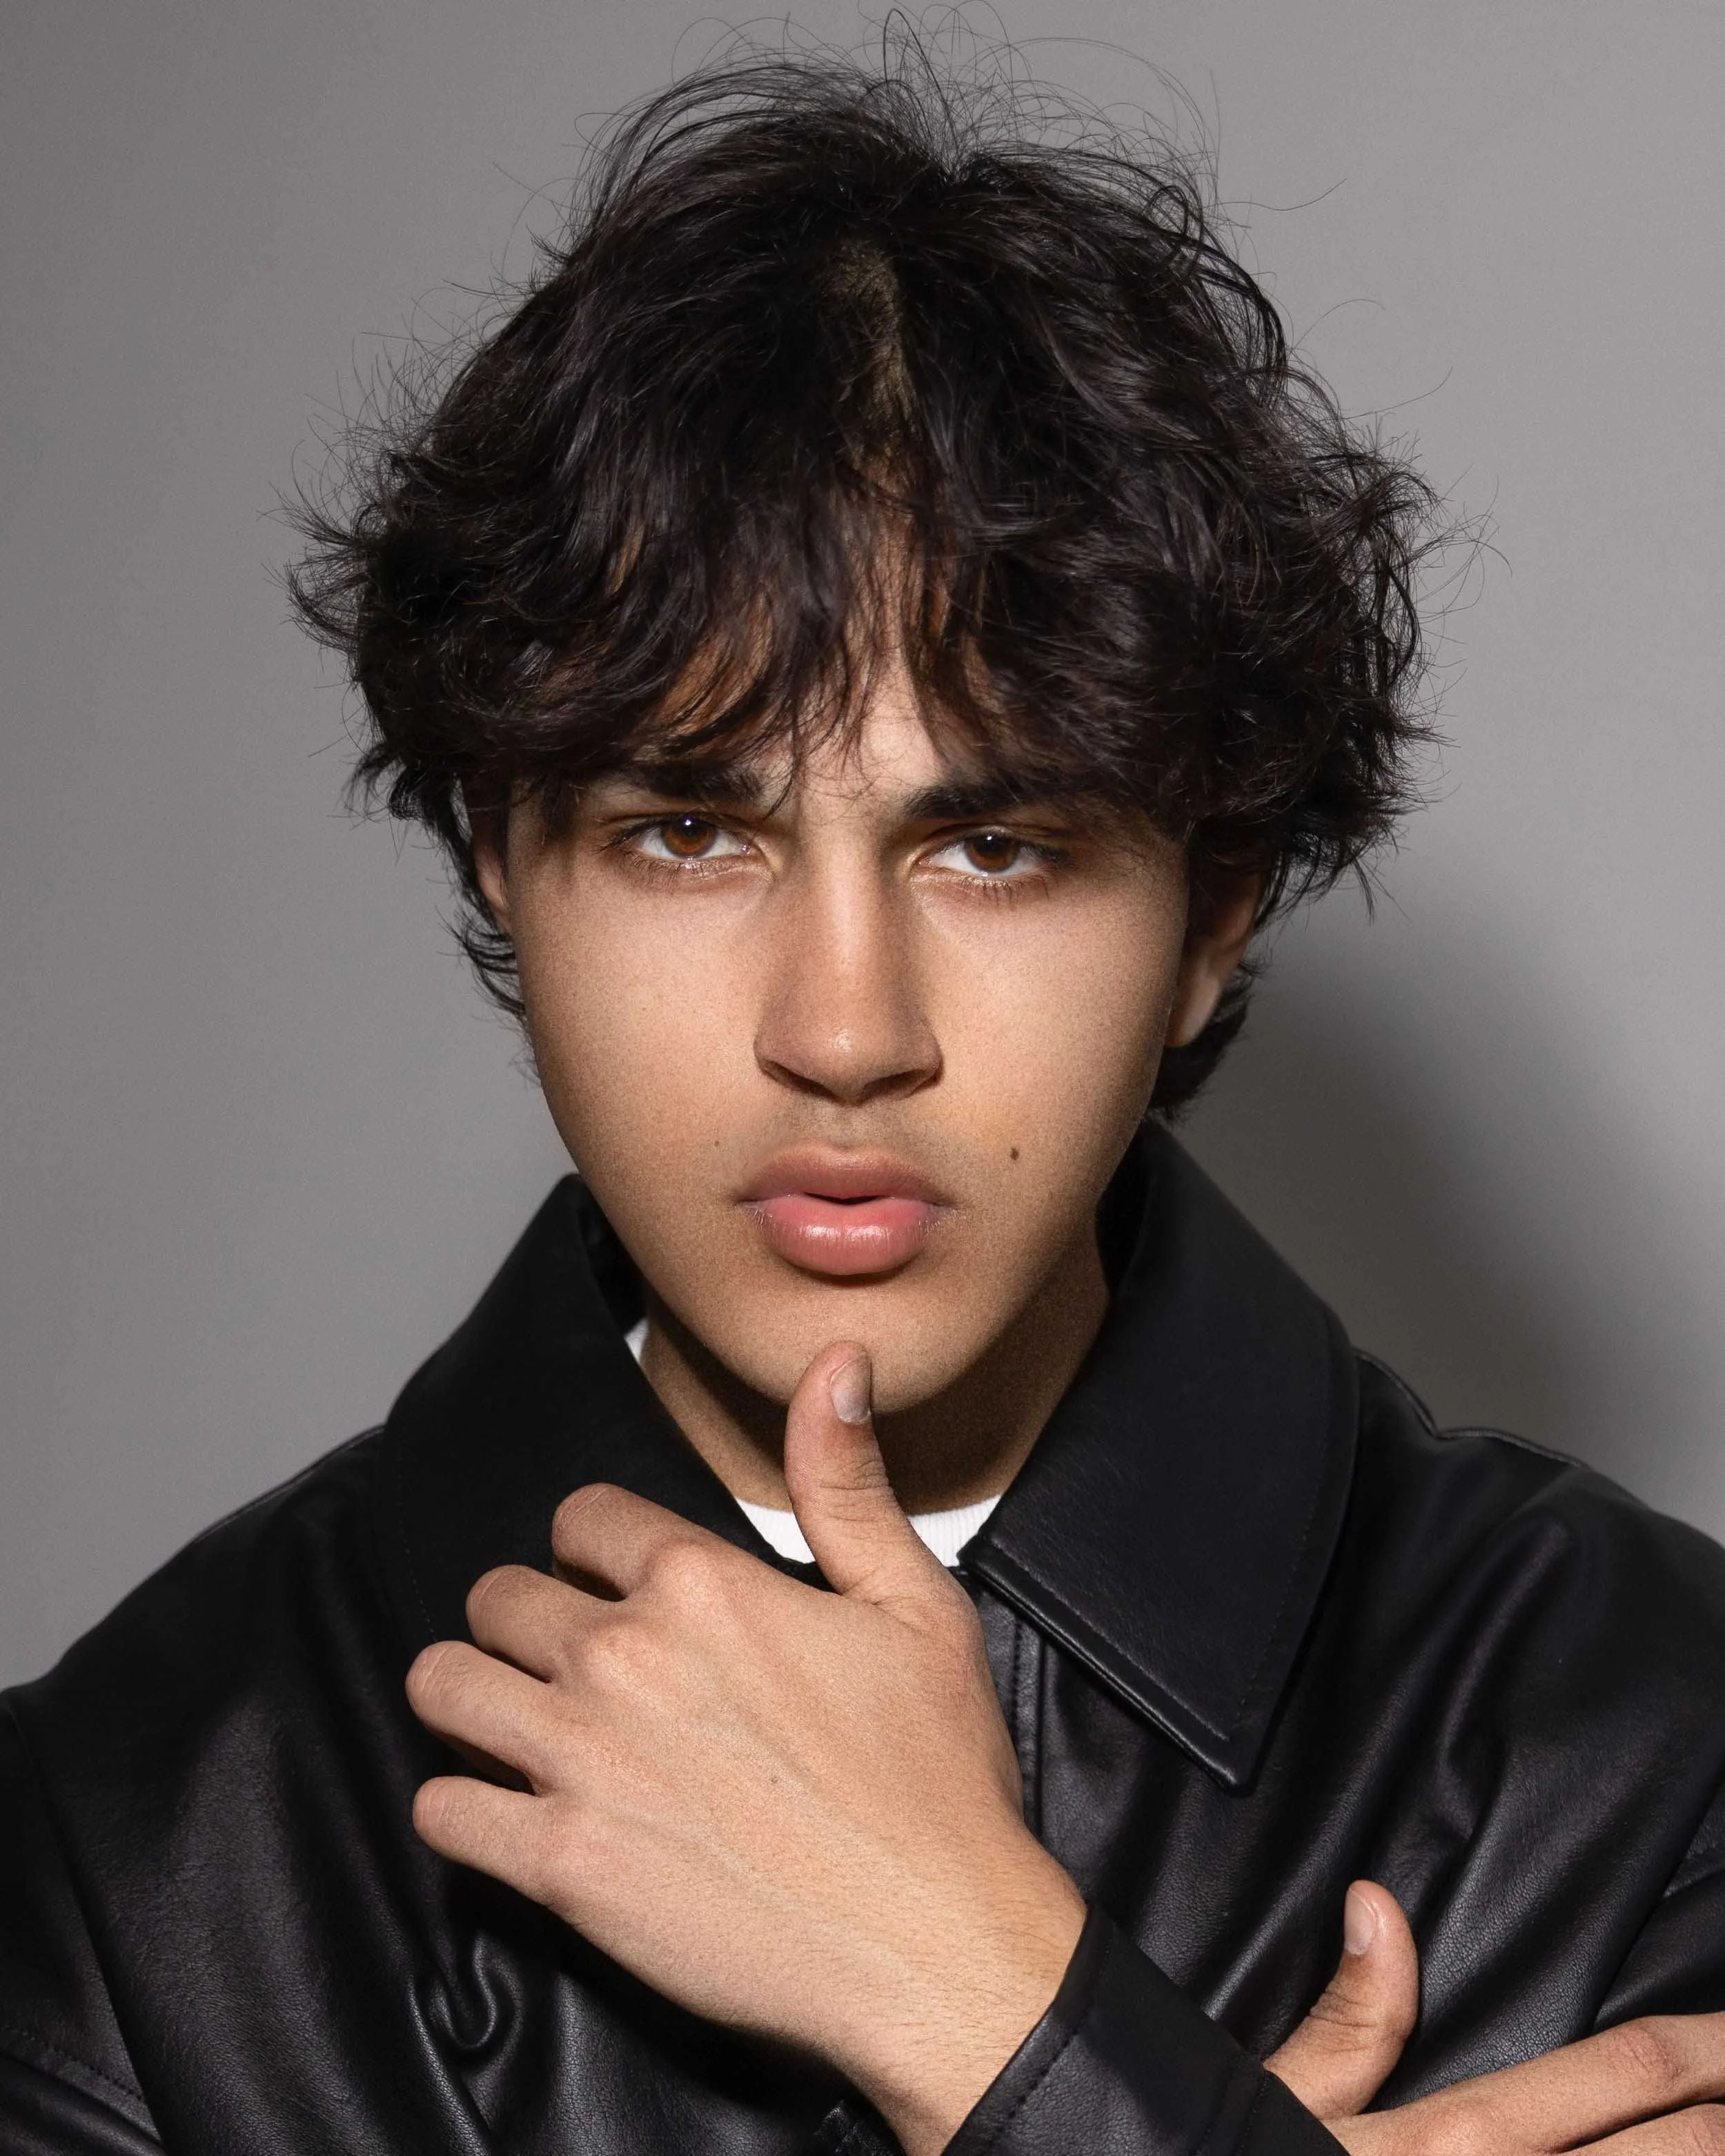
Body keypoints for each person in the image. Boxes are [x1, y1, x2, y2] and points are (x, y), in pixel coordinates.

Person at [5, 42, 1725, 2156]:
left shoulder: (1647, 1749)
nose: (842, 1027)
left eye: (993, 845)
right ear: (493, 855)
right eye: (685, 832)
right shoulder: (125, 1846)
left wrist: (967, 1984)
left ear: (1212, 909)